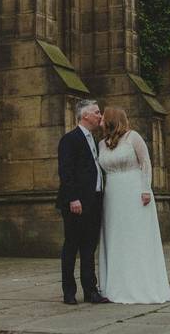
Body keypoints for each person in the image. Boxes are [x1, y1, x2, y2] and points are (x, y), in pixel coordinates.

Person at [96, 107, 170, 304]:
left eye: (103, 117)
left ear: (111, 120)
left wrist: (146, 189)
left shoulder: (133, 137)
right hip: (112, 194)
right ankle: (116, 284)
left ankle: (140, 283)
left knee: (135, 235)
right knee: (116, 236)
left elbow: (146, 162)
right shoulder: (101, 144)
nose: (100, 121)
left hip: (134, 191)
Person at [56, 99, 109, 305]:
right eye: (96, 112)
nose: (100, 116)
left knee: (89, 248)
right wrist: (73, 198)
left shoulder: (95, 140)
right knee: (71, 246)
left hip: (94, 201)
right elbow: (65, 171)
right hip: (75, 203)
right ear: (85, 115)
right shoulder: (70, 139)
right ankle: (69, 291)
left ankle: (90, 291)